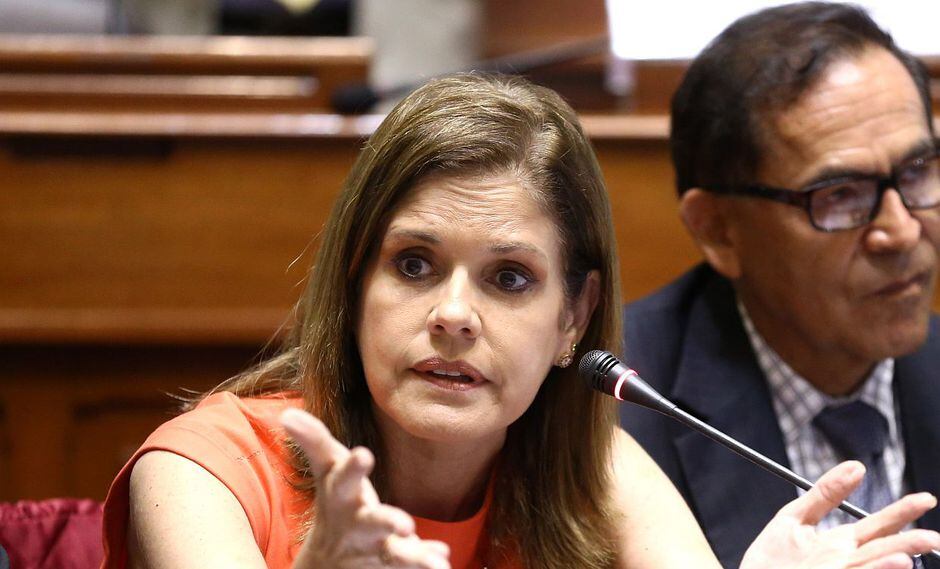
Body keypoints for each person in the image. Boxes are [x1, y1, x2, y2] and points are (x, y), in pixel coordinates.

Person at [100, 73, 939, 569]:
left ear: (573, 317)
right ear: (354, 282)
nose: (453, 315)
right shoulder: (201, 472)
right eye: (414, 264)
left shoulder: (590, 467)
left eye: (509, 278)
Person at [620, 2, 940, 568]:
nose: (901, 230)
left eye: (917, 172)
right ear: (718, 229)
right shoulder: (615, 419)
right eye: (839, 196)